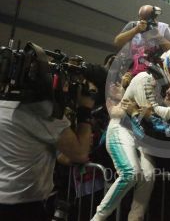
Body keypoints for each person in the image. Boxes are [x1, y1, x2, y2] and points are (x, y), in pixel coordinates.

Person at [0, 63, 105, 221]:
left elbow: (57, 153)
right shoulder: (42, 110)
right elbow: (80, 154)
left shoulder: (5, 102)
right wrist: (84, 110)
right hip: (22, 205)